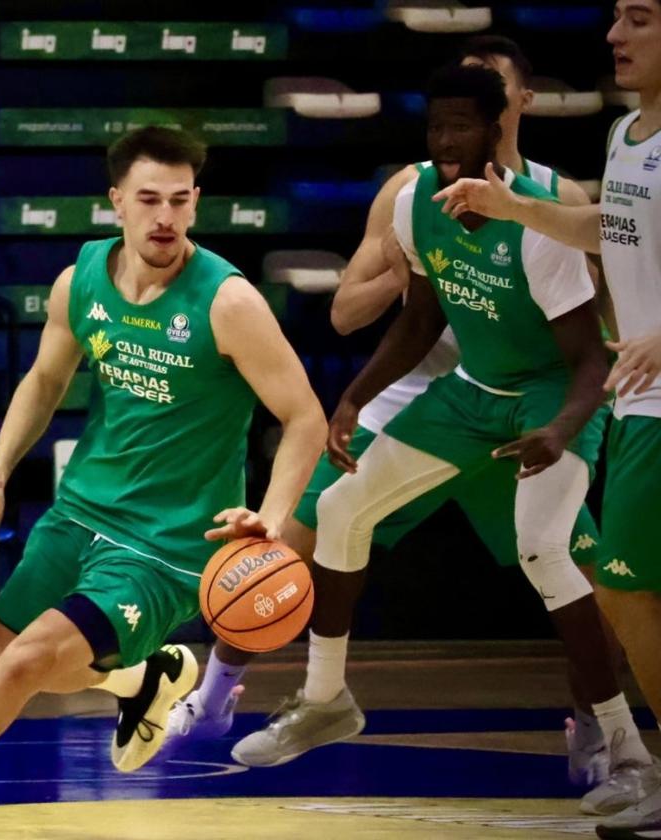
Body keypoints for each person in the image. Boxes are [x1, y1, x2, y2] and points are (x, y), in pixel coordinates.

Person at [0, 126, 327, 839]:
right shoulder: (82, 281)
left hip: (163, 546)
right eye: (148, 199)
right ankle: (144, 680)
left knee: (27, 663)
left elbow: (305, 418)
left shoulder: (227, 302)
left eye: (178, 200)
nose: (164, 216)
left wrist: (271, 514)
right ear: (117, 203)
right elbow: (46, 378)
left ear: (196, 202)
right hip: (79, 513)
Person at [168, 34, 615, 789]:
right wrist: (421, 264)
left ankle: (597, 732)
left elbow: (592, 330)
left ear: (514, 105)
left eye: (485, 96)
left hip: (529, 397)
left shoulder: (560, 200)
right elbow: (350, 313)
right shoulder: (409, 192)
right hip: (430, 392)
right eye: (444, 113)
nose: (457, 126)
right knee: (311, 529)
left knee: (583, 573)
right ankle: (223, 699)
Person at [435, 4, 661, 836]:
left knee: (624, 589)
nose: (613, 36)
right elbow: (612, 230)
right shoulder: (629, 135)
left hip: (658, 397)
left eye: (638, 18)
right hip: (637, 400)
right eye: (613, 18)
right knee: (628, 593)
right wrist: (516, 209)